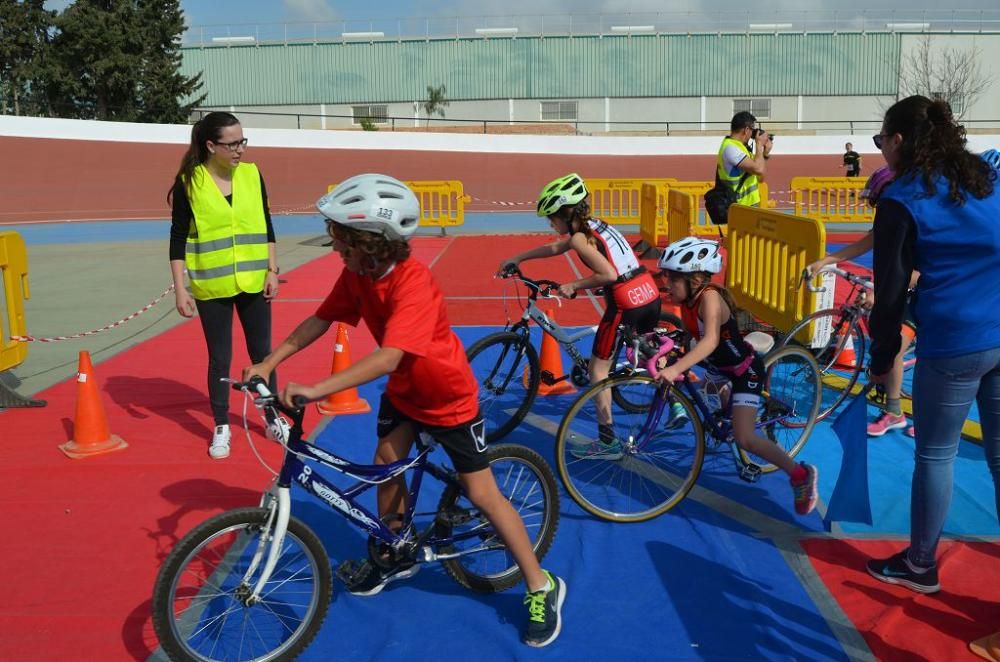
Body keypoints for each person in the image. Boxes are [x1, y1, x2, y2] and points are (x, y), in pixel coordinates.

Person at [244, 174, 565, 647]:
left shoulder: (413, 283)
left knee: (481, 493)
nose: (334, 246)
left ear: (370, 244)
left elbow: (389, 355)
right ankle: (395, 552)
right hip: (405, 393)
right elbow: (323, 317)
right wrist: (270, 361)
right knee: (384, 467)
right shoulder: (358, 273)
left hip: (448, 398)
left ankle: (541, 584)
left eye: (341, 239)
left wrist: (317, 387)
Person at [864, 96, 1000, 594]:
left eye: (882, 142)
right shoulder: (987, 178)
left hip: (954, 344)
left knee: (936, 455)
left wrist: (882, 360)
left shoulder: (901, 200)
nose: (882, 152)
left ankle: (920, 564)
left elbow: (891, 296)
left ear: (899, 141)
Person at [498, 173, 673, 456]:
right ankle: (675, 399)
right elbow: (558, 247)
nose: (550, 223)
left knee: (597, 371)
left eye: (551, 217)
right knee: (646, 351)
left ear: (566, 213)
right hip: (648, 294)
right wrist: (521, 257)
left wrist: (573, 286)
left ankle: (607, 443)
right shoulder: (595, 226)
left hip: (625, 302)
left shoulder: (581, 239)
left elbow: (608, 274)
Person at [655, 237, 819, 516]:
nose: (666, 283)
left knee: (745, 438)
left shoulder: (709, 298)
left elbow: (709, 342)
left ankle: (800, 474)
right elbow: (691, 336)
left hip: (744, 372)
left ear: (694, 278)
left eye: (671, 277)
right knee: (718, 416)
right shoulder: (688, 299)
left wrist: (675, 368)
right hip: (720, 367)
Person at [168, 111, 279, 459]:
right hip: (211, 286)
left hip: (253, 281)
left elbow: (267, 223)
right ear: (211, 146)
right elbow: (177, 237)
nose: (240, 150)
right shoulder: (191, 182)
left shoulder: (252, 174)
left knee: (263, 354)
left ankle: (273, 416)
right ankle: (221, 425)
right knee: (221, 358)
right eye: (232, 144)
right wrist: (180, 288)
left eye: (242, 141)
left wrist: (272, 269)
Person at [805, 166, 920, 438]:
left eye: (879, 202)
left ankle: (926, 416)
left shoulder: (914, 222)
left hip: (925, 299)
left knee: (908, 354)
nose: (877, 208)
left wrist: (881, 292)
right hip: (905, 296)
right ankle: (895, 412)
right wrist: (826, 261)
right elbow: (863, 244)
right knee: (892, 350)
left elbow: (919, 272)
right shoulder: (891, 218)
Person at [716, 111, 773, 209]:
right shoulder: (731, 148)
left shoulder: (742, 148)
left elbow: (760, 177)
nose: (753, 134)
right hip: (739, 206)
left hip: (750, 205)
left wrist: (765, 154)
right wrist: (759, 145)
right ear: (746, 130)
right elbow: (758, 169)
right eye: (752, 129)